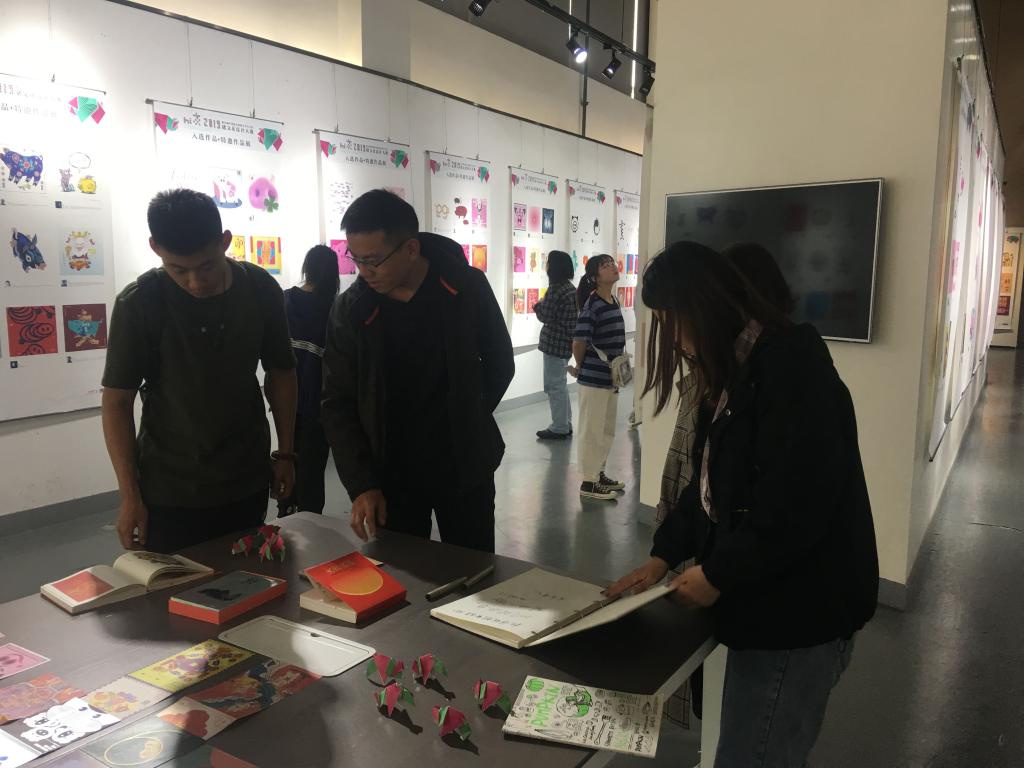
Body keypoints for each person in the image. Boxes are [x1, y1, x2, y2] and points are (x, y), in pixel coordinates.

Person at [608, 241, 878, 767]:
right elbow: (709, 487)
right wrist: (663, 556)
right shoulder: (737, 372)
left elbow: (794, 508)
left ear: (703, 308)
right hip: (768, 606)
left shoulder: (789, 370)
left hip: (799, 618)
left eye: (673, 324)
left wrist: (717, 574)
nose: (676, 342)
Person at [102, 189, 297, 553]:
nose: (195, 282)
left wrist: (285, 453)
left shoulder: (260, 290)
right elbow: (116, 402)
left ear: (225, 242)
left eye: (207, 266)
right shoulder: (140, 302)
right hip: (169, 488)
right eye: (178, 270)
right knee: (174, 586)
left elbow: (282, 373)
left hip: (247, 478)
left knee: (248, 578)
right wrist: (129, 496)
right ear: (155, 248)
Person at [321, 189, 514, 553]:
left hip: (462, 464)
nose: (364, 272)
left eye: (374, 261)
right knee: (401, 572)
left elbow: (500, 361)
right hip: (390, 475)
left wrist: (467, 416)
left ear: (411, 249)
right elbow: (337, 401)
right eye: (356, 260)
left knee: (474, 567)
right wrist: (362, 483)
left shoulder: (465, 287)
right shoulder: (351, 309)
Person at [277, 245, 340, 517]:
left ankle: (285, 512)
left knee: (286, 458)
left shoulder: (285, 300)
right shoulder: (334, 309)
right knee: (313, 468)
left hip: (286, 400)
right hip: (319, 404)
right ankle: (310, 520)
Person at [569, 254, 625, 500]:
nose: (612, 267)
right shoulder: (592, 305)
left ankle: (598, 472)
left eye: (612, 263)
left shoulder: (613, 301)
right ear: (595, 277)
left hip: (610, 378)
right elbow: (578, 342)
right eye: (605, 266)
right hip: (593, 378)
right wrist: (581, 365)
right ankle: (588, 482)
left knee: (605, 430)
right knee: (591, 431)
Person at [534, 250, 577, 440]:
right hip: (566, 344)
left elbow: (545, 315)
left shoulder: (556, 289)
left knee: (554, 386)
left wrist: (538, 306)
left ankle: (559, 426)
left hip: (554, 345)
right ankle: (565, 423)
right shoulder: (570, 288)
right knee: (560, 384)